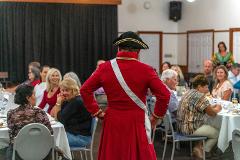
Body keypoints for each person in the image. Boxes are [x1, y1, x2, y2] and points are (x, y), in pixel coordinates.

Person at [80, 31, 170, 160]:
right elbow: (165, 95)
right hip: (136, 120)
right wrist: (155, 118)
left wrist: (97, 112)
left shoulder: (104, 68)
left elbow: (84, 90)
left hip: (112, 120)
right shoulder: (147, 70)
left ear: (118, 48)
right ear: (138, 51)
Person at [177, 75, 222, 159]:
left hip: (180, 126)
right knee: (217, 133)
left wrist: (212, 107)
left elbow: (203, 108)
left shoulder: (188, 92)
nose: (208, 89)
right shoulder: (200, 96)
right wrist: (218, 108)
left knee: (209, 124)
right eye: (205, 87)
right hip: (189, 129)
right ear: (199, 87)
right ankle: (203, 150)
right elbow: (212, 114)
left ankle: (199, 146)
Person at [6, 84, 53, 160]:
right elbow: (50, 133)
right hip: (41, 153)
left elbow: (12, 137)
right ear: (28, 98)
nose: (36, 97)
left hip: (19, 155)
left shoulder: (11, 114)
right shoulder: (40, 112)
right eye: (34, 94)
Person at [51, 78, 92, 147]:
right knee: (51, 136)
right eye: (63, 90)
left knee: (50, 140)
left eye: (67, 90)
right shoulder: (70, 100)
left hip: (81, 138)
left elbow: (59, 119)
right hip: (73, 134)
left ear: (73, 90)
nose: (64, 93)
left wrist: (58, 103)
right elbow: (56, 116)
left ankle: (60, 157)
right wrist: (60, 103)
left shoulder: (76, 101)